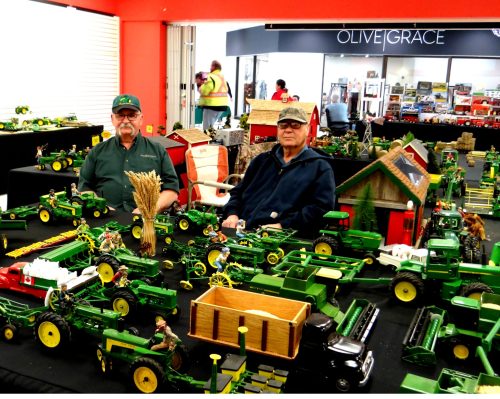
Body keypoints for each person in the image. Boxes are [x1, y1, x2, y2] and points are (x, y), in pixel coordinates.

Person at [222, 107, 336, 237]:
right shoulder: (261, 161)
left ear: (307, 129)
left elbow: (321, 209)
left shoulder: (320, 167)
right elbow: (238, 192)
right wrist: (232, 214)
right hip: (242, 231)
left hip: (283, 239)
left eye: (295, 125)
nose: (288, 130)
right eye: (283, 125)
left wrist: (283, 225)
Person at [78, 94, 179, 214]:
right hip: (105, 221)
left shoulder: (158, 151)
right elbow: (84, 187)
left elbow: (171, 190)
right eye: (120, 115)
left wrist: (148, 209)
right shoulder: (97, 151)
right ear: (112, 119)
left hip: (147, 221)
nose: (125, 121)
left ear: (141, 119)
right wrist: (101, 207)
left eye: (132, 115)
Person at [198, 60, 229, 131]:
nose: (210, 68)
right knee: (211, 127)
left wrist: (201, 87)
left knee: (207, 129)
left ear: (213, 67)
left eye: (210, 66)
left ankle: (208, 141)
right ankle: (212, 139)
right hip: (223, 106)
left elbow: (205, 91)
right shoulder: (222, 77)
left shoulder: (211, 76)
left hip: (212, 105)